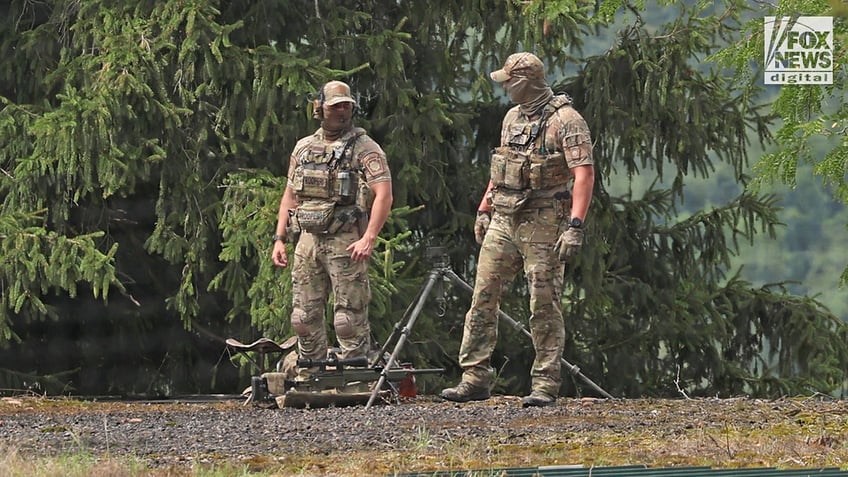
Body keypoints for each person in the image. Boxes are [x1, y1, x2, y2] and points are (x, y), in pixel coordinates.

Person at [440, 52, 595, 407]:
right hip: (504, 218)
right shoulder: (511, 118)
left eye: (509, 80)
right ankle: (474, 377)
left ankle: (544, 383)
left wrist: (574, 226)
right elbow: (502, 169)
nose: (506, 87)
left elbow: (583, 174)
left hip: (544, 219)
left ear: (524, 81)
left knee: (543, 302)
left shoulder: (566, 121)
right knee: (483, 296)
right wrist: (484, 208)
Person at [271, 80, 393, 370]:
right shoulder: (303, 148)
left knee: (347, 319)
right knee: (302, 317)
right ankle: (311, 373)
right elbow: (290, 195)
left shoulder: (363, 147)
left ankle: (353, 373)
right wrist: (279, 238)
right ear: (319, 109)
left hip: (345, 241)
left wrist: (369, 238)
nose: (342, 111)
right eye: (335, 106)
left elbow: (384, 194)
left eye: (347, 106)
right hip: (307, 242)